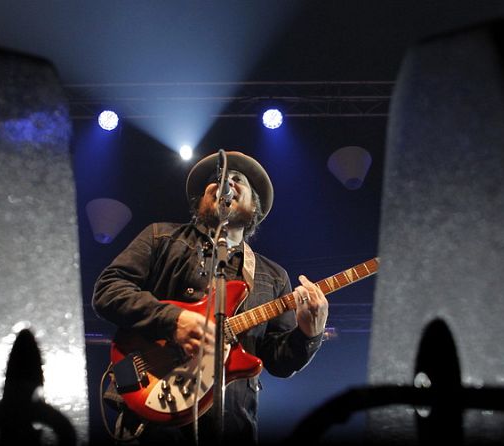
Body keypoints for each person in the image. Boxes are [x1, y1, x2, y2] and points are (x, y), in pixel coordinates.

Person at [92, 150, 328, 445]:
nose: (224, 182)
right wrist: (174, 320)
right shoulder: (161, 238)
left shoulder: (273, 275)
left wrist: (309, 333)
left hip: (233, 426)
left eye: (237, 180)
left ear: (254, 207)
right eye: (215, 180)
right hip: (153, 418)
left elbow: (279, 362)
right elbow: (108, 289)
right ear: (200, 201)